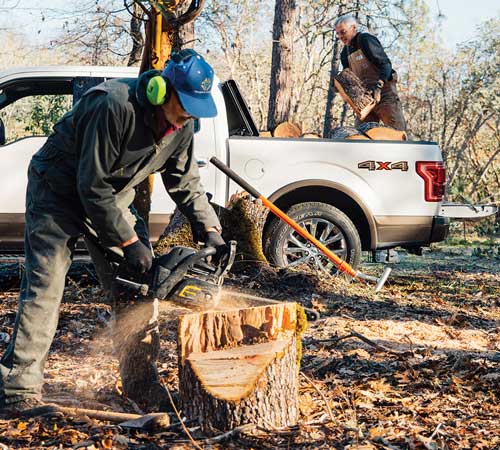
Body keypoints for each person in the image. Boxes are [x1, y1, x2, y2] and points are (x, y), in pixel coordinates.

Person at [0, 49, 226, 417]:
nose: (187, 115)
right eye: (184, 105)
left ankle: (141, 382)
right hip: (57, 189)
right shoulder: (113, 106)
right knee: (46, 285)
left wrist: (210, 227)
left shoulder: (181, 129)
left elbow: (185, 180)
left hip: (110, 195)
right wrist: (130, 241)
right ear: (159, 90)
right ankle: (17, 389)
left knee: (135, 287)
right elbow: (91, 186)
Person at [335, 14, 407, 131]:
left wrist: (379, 86)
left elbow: (385, 64)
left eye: (343, 32)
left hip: (384, 94)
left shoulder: (366, 40)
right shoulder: (345, 53)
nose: (340, 37)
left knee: (396, 133)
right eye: (337, 34)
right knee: (361, 134)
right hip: (365, 101)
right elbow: (350, 79)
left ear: (353, 28)